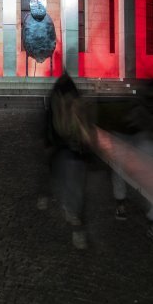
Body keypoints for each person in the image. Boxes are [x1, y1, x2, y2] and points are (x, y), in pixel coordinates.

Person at [110, 78, 153, 244]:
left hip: (142, 141)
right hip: (127, 139)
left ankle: (152, 221)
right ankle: (121, 203)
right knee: (119, 170)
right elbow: (132, 123)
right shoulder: (138, 105)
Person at [43, 71, 95, 249]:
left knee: (69, 186)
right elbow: (89, 129)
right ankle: (75, 222)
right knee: (75, 189)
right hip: (76, 152)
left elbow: (49, 125)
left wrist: (48, 144)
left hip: (64, 151)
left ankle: (75, 222)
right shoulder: (79, 103)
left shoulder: (56, 102)